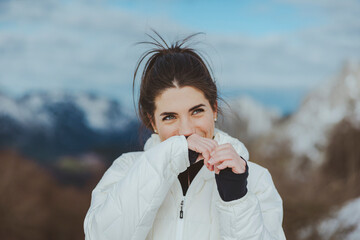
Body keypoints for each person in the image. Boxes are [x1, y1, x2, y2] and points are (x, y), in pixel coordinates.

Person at [84, 32, 286, 240]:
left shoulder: (256, 180)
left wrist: (236, 199)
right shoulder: (125, 171)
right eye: (170, 117)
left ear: (214, 109)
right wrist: (169, 157)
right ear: (152, 122)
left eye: (197, 111)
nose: (186, 130)